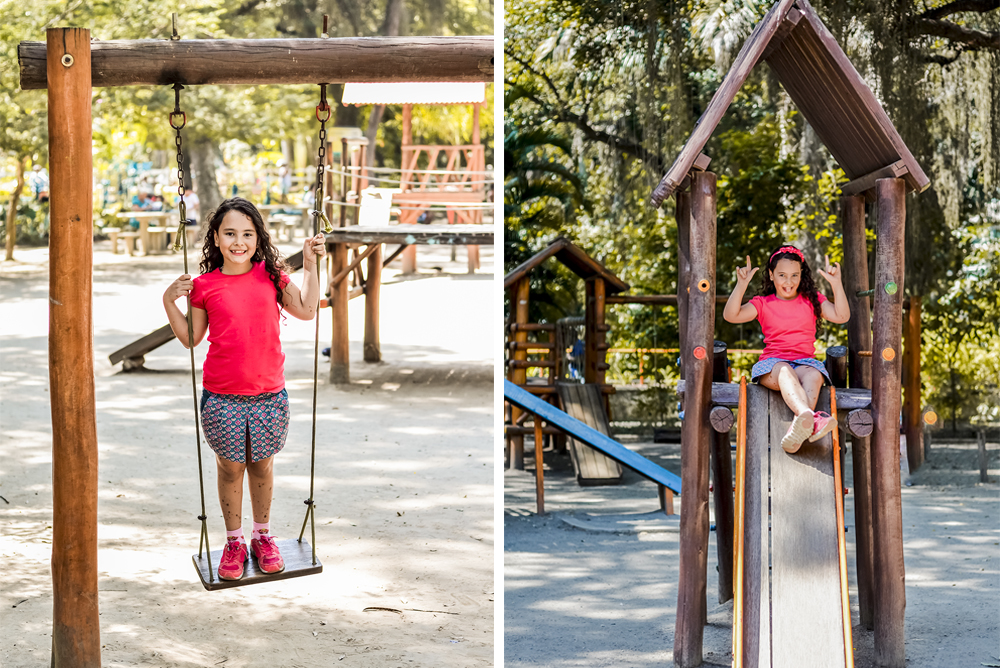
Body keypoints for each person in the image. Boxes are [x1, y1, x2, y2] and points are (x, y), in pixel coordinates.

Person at [162, 197, 327, 581]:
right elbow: (190, 338)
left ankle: (262, 537)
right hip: (223, 397)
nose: (239, 242)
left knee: (262, 465)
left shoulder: (272, 276)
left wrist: (311, 263)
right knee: (230, 468)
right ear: (216, 238)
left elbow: (306, 309)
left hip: (269, 395)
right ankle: (234, 542)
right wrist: (169, 300)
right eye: (230, 234)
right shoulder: (204, 286)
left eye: (248, 234)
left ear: (258, 238)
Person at [723, 245, 850, 453]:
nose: (788, 282)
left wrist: (836, 284)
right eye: (782, 275)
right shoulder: (763, 303)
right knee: (784, 369)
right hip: (773, 367)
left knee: (815, 374)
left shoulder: (813, 300)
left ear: (802, 275)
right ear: (771, 275)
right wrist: (741, 285)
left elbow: (842, 316)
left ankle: (800, 426)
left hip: (804, 364)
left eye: (794, 275)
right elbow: (731, 315)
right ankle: (810, 418)